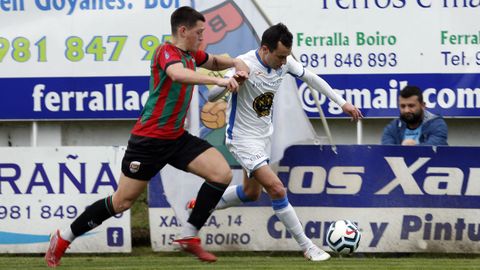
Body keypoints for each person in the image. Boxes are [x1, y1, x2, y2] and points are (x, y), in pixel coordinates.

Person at [45, 6, 248, 267]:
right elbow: (177, 74)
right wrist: (218, 81)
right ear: (183, 30)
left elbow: (215, 60)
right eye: (199, 33)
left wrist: (235, 62)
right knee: (121, 202)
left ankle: (188, 235)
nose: (202, 37)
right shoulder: (166, 52)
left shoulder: (190, 55)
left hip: (176, 138)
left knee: (221, 174)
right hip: (149, 140)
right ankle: (64, 236)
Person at [192, 23, 362, 261]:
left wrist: (342, 103)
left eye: (286, 57)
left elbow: (312, 79)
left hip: (263, 138)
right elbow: (211, 96)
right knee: (277, 188)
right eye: (280, 56)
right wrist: (229, 85)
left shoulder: (284, 62)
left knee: (251, 193)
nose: (284, 62)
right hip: (242, 140)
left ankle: (201, 205)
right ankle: (308, 246)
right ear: (265, 49)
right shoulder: (245, 64)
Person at [381, 85, 448, 146]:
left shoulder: (437, 124)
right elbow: (387, 150)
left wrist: (411, 148)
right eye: (402, 106)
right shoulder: (393, 127)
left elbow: (434, 150)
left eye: (411, 106)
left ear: (423, 106)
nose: (406, 110)